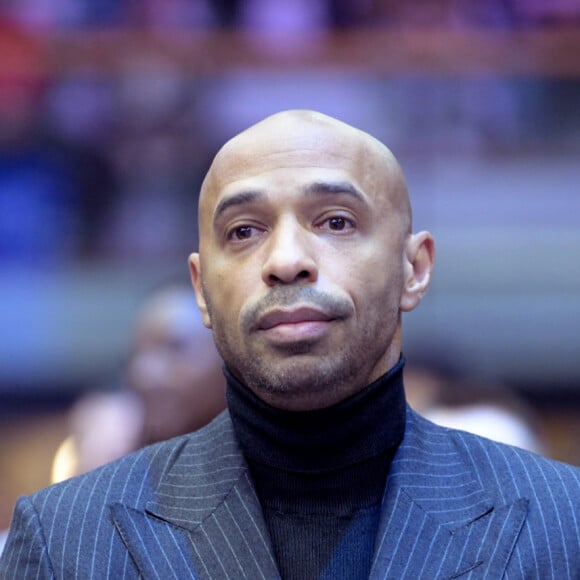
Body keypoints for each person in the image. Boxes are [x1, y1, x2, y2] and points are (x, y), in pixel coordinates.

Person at [1, 110, 578, 578]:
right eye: (244, 231)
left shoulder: (562, 522)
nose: (286, 262)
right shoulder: (67, 541)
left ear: (414, 269)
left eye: (335, 222)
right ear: (201, 289)